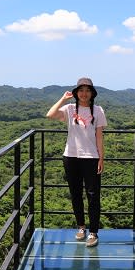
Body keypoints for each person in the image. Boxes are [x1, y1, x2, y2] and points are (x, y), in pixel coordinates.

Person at [46, 77, 107, 247]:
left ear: (92, 93)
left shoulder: (98, 110)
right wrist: (63, 99)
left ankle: (93, 232)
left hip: (91, 157)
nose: (84, 93)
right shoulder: (70, 108)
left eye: (87, 90)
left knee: (93, 196)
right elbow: (50, 114)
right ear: (76, 93)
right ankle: (81, 227)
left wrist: (101, 157)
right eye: (81, 90)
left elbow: (99, 137)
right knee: (75, 194)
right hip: (70, 156)